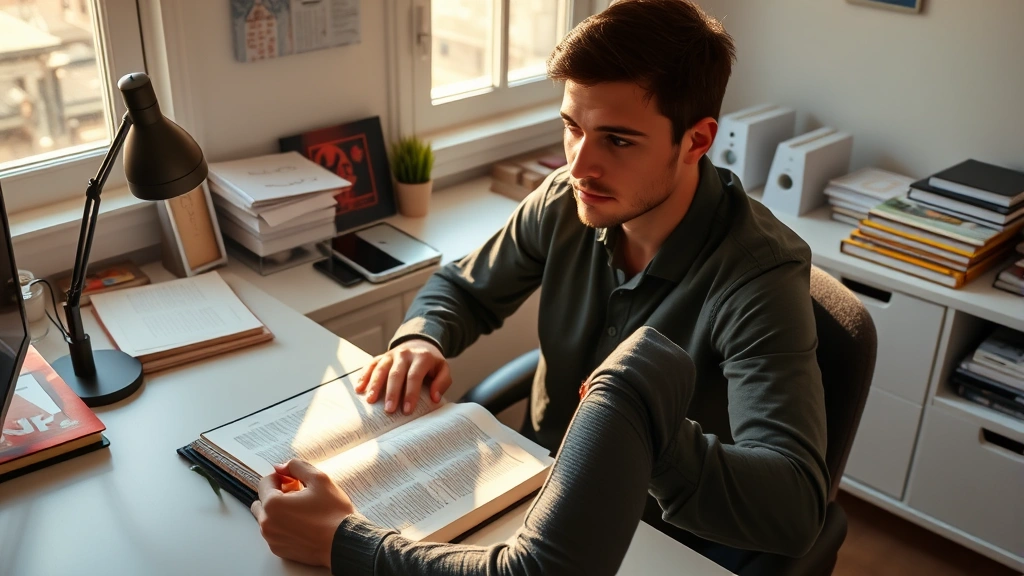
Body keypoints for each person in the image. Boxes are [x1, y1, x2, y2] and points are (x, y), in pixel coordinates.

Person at [251, 0, 830, 573]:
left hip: (656, 538)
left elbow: (794, 504)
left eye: (618, 140)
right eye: (572, 128)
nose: (579, 165)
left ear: (697, 141)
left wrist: (643, 430)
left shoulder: (759, 276)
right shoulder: (566, 200)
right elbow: (464, 289)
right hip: (531, 489)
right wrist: (421, 340)